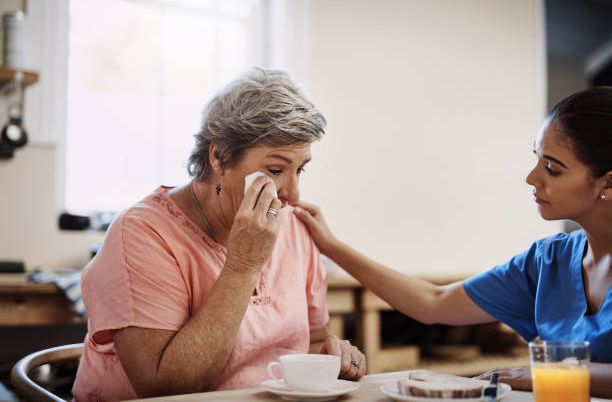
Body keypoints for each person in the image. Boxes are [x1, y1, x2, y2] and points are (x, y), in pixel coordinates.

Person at [294, 86, 612, 398]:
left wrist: (546, 373)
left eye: (552, 169)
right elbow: (434, 302)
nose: (531, 177)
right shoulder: (548, 261)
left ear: (607, 182)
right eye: (537, 159)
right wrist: (331, 245)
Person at [72, 68, 366, 401]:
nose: (293, 195)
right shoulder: (141, 233)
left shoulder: (295, 227)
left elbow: (309, 341)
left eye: (300, 169)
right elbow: (164, 387)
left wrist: (329, 353)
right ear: (219, 157)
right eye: (275, 170)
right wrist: (243, 265)